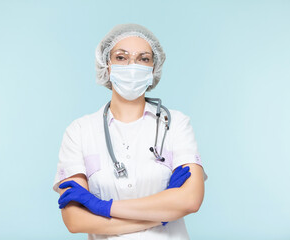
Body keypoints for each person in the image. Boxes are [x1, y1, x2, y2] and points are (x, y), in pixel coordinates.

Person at [52, 23, 208, 240]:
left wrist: (103, 207)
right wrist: (163, 213)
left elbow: (191, 200)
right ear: (106, 65)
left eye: (143, 58)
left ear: (154, 68)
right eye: (121, 57)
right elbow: (75, 220)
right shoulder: (79, 131)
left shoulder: (175, 124)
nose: (132, 66)